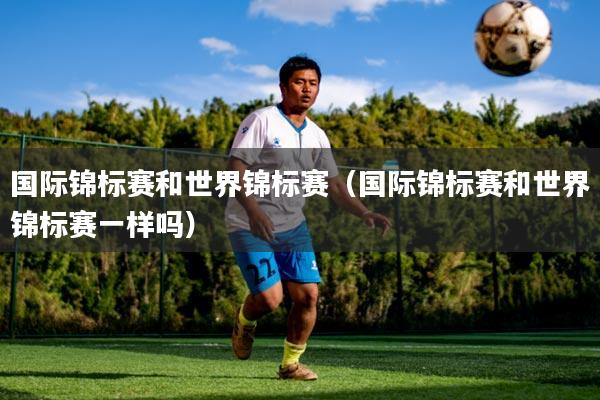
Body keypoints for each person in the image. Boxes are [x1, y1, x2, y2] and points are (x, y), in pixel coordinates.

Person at [226, 55, 391, 380]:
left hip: (293, 227)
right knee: (270, 299)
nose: (307, 89)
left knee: (308, 296)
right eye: (299, 82)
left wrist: (364, 211)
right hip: (249, 223)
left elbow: (334, 184)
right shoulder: (261, 120)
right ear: (283, 86)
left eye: (313, 83)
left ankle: (290, 365)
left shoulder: (317, 135)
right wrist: (253, 210)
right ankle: (244, 320)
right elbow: (235, 169)